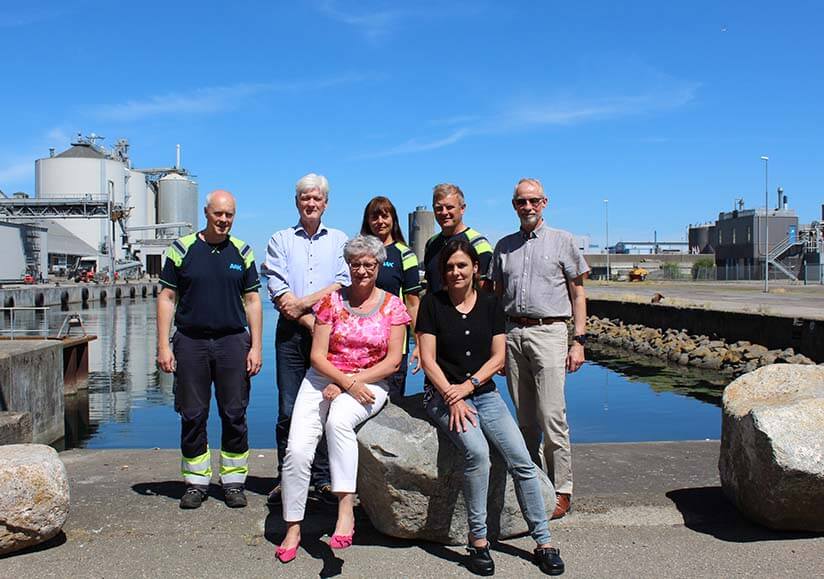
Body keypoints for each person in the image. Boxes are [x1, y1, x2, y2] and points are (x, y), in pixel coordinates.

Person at [417, 237, 565, 576]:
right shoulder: (432, 304)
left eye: (462, 266)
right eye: (450, 267)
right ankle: (478, 540)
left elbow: (498, 358)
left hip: (483, 393)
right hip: (442, 395)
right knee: (477, 454)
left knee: (521, 460)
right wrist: (452, 396)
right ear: (443, 271)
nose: (456, 272)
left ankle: (543, 541)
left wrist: (467, 388)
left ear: (475, 269)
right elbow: (427, 359)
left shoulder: (490, 304)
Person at [276, 235, 410, 563]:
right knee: (297, 449)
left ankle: (345, 508)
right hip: (325, 377)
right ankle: (293, 525)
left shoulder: (394, 305)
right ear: (347, 266)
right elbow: (318, 356)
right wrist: (342, 381)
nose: (362, 270)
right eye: (356, 264)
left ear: (378, 266)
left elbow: (393, 362)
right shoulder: (331, 302)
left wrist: (351, 384)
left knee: (338, 421)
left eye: (369, 264)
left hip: (372, 381)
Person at [156, 190, 263, 509]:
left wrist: (256, 346)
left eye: (229, 214)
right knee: (192, 413)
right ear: (206, 213)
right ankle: (196, 482)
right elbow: (166, 298)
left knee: (234, 413)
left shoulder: (243, 252)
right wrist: (164, 345)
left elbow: (253, 300)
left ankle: (233, 481)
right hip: (191, 341)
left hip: (233, 340)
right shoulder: (181, 249)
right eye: (219, 214)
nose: (224, 220)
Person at [490, 178, 589, 520]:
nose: (528, 207)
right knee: (526, 420)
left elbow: (578, 294)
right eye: (521, 202)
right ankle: (533, 485)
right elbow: (496, 298)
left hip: (549, 332)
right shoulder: (503, 247)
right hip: (514, 333)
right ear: (514, 205)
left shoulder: (564, 242)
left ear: (544, 202)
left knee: (552, 416)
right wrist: (498, 346)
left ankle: (562, 489)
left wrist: (579, 341)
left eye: (533, 201)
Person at [261, 173, 349, 506]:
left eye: (316, 198)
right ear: (296, 201)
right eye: (304, 198)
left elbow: (341, 284)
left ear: (325, 203)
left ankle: (324, 478)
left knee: (327, 406)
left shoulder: (339, 240)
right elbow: (280, 292)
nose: (310, 203)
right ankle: (287, 478)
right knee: (287, 408)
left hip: (330, 334)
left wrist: (303, 304)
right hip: (291, 334)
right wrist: (309, 319)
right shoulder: (280, 240)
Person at [359, 196, 421, 402]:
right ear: (367, 221)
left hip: (393, 345)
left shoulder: (405, 255)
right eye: (374, 217)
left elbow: (412, 303)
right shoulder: (359, 254)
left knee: (391, 404)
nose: (380, 222)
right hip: (360, 342)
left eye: (385, 216)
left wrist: (419, 343)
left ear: (393, 219)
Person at [423, 183, 494, 293]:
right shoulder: (431, 244)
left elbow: (486, 291)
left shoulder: (478, 244)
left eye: (449, 207)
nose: (444, 212)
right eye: (439, 208)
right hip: (435, 309)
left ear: (462, 209)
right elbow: (430, 285)